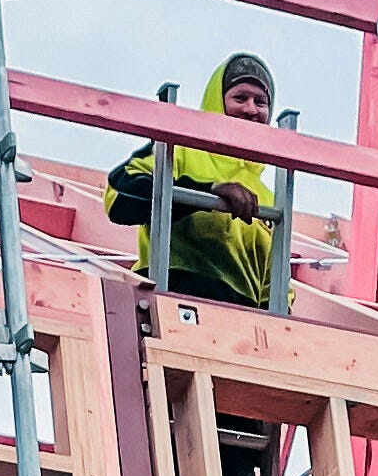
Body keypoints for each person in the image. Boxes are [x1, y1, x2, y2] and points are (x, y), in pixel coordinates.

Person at [101, 51, 279, 308]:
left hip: (238, 322)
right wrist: (207, 194)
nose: (251, 109)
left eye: (260, 102)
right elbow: (119, 197)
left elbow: (275, 292)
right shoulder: (176, 151)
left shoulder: (270, 198)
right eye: (240, 97)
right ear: (216, 102)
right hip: (170, 298)